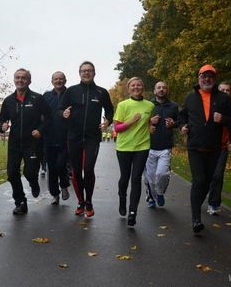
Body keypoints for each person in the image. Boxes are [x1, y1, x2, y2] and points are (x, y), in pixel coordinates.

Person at [177, 64, 231, 233]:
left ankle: (197, 207)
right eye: (204, 76)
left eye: (210, 76)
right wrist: (182, 127)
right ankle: (196, 218)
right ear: (199, 79)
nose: (207, 79)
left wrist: (223, 118)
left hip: (214, 147)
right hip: (194, 146)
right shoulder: (191, 97)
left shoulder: (223, 98)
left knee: (207, 182)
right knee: (199, 180)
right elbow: (182, 116)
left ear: (215, 80)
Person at [58, 61, 114, 217]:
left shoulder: (101, 92)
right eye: (84, 71)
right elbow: (60, 109)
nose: (86, 73)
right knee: (76, 171)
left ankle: (89, 201)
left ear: (94, 73)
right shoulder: (71, 91)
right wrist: (63, 114)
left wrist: (108, 121)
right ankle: (80, 202)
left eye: (89, 71)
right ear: (79, 73)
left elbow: (110, 110)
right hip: (74, 137)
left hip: (92, 138)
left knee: (88, 169)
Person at [0, 68, 52, 215]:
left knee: (29, 172)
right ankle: (20, 202)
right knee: (11, 173)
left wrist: (40, 130)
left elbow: (49, 118)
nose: (20, 80)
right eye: (17, 77)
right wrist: (2, 126)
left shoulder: (37, 98)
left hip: (33, 142)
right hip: (14, 142)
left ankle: (33, 182)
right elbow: (2, 119)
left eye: (24, 78)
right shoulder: (8, 100)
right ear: (14, 80)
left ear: (29, 81)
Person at [114, 77, 154, 226]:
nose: (136, 87)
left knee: (136, 178)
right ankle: (122, 199)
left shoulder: (149, 105)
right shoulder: (123, 105)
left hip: (142, 146)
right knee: (124, 177)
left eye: (139, 85)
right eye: (133, 85)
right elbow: (117, 128)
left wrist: (150, 126)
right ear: (128, 89)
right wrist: (131, 121)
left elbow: (147, 120)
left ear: (142, 88)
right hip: (124, 146)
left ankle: (132, 212)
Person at [144, 81, 179, 208]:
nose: (161, 89)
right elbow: (139, 123)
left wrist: (174, 124)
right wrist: (149, 122)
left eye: (164, 87)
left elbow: (180, 122)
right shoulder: (148, 105)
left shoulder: (173, 106)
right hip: (149, 146)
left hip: (165, 146)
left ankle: (160, 193)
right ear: (154, 91)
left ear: (167, 90)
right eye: (158, 87)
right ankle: (151, 198)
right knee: (151, 176)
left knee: (162, 173)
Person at [207, 81, 231, 215]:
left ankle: (213, 203)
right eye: (223, 90)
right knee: (204, 176)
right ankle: (201, 193)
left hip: (221, 147)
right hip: (206, 146)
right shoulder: (209, 105)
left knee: (218, 175)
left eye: (228, 90)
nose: (225, 93)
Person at [43, 71, 70, 205]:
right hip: (49, 138)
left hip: (66, 137)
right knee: (51, 168)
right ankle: (55, 194)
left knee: (61, 165)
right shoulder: (47, 96)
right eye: (56, 79)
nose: (58, 81)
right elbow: (39, 112)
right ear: (52, 81)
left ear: (65, 80)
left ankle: (64, 184)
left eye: (61, 79)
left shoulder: (70, 94)